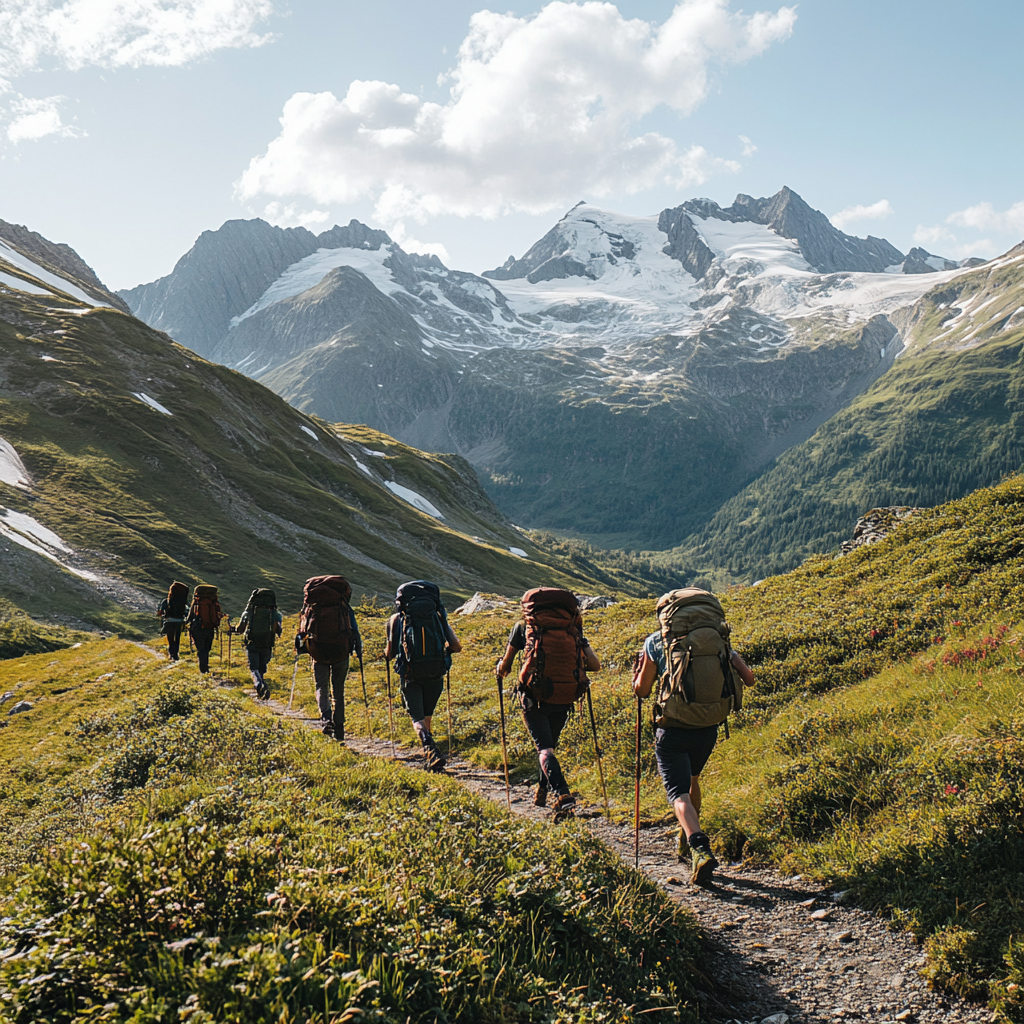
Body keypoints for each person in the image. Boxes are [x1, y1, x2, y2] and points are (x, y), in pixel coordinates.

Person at [632, 588, 755, 885]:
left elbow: (642, 690)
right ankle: (685, 842)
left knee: (678, 794)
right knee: (693, 780)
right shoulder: (719, 641)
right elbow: (749, 679)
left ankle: (699, 848)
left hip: (672, 728)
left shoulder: (655, 642)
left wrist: (637, 673)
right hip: (709, 725)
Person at [495, 588, 601, 818]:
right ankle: (542, 791)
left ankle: (563, 794)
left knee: (544, 748)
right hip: (565, 694)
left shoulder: (524, 628)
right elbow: (594, 665)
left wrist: (500, 668)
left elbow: (506, 665)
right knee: (550, 745)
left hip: (535, 695)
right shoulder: (573, 630)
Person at [385, 580, 461, 771]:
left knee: (417, 719)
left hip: (410, 674)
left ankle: (430, 750)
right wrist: (446, 653)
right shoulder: (437, 616)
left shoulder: (396, 619)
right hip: (435, 671)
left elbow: (390, 653)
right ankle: (431, 752)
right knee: (427, 716)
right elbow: (456, 646)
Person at [295, 575, 361, 740]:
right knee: (338, 691)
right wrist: (357, 649)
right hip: (341, 652)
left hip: (318, 651)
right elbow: (354, 630)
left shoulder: (311, 607)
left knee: (321, 687)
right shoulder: (344, 607)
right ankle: (339, 728)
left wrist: (301, 647)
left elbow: (302, 631)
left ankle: (326, 720)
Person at [234, 588, 282, 699]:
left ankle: (259, 685)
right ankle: (262, 686)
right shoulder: (275, 613)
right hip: (267, 642)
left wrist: (234, 629)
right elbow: (277, 628)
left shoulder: (249, 611)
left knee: (253, 668)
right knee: (262, 667)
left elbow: (241, 628)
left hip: (252, 642)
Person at [186, 584, 223, 675]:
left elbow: (190, 616)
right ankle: (205, 667)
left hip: (197, 628)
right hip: (210, 628)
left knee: (201, 649)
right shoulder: (214, 602)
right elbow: (219, 614)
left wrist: (186, 623)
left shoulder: (197, 602)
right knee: (206, 649)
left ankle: (203, 669)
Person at [156, 581, 189, 662]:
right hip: (179, 621)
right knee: (177, 638)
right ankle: (176, 654)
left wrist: (161, 614)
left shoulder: (166, 601)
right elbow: (186, 612)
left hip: (169, 622)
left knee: (170, 639)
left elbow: (160, 612)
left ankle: (171, 654)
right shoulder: (183, 602)